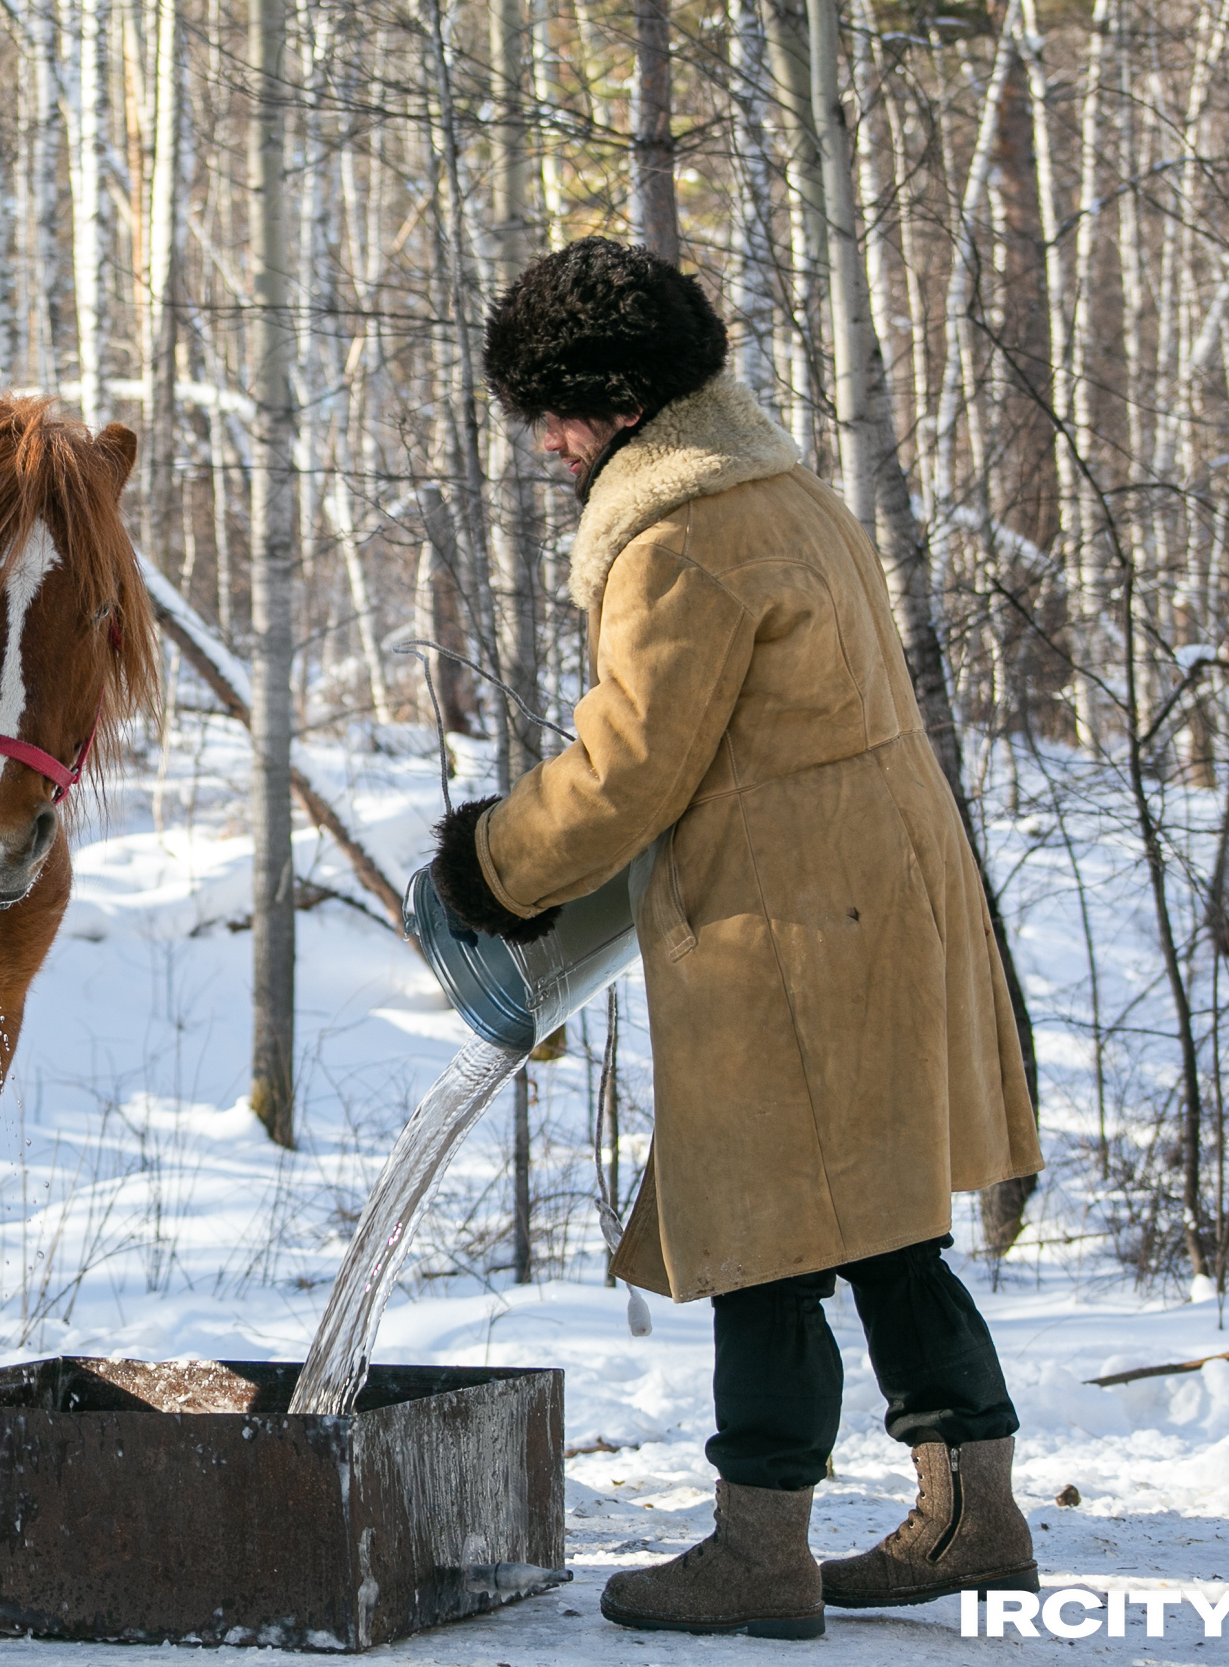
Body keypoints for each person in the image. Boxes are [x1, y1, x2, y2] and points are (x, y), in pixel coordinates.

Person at [428, 240, 1044, 1641]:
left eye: (560, 410)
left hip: (785, 921)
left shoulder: (678, 536)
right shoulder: (784, 488)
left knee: (765, 1235)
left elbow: (630, 768)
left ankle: (759, 1547)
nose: (548, 441)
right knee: (888, 1227)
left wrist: (490, 863)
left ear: (627, 402)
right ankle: (975, 1513)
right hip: (879, 893)